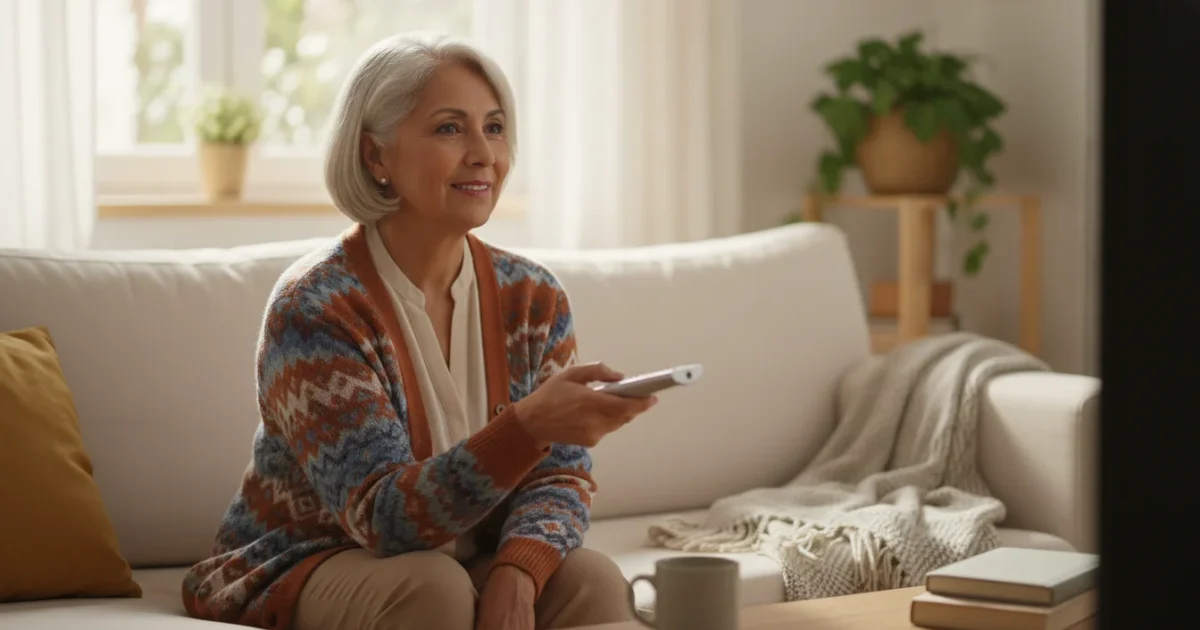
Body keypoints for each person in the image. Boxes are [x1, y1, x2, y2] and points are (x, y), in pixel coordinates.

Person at [181, 32, 655, 630]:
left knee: (592, 580)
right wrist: (527, 427)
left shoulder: (533, 297)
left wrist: (518, 569)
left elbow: (560, 476)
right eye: (450, 128)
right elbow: (382, 518)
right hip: (311, 559)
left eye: (494, 127)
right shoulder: (314, 308)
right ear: (375, 156)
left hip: (467, 560)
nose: (483, 153)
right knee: (434, 589)